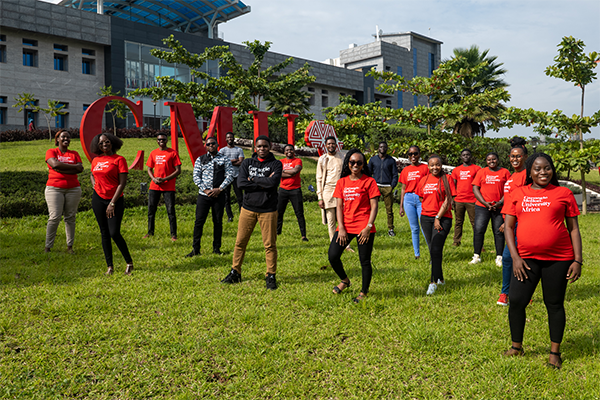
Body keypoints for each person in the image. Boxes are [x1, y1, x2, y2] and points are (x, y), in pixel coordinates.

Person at [502, 152, 582, 369]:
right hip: (526, 259)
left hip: (559, 259)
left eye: (547, 168)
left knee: (554, 304)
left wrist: (577, 260)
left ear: (552, 170)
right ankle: (516, 347)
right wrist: (516, 258)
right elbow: (508, 228)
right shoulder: (517, 193)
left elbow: (573, 229)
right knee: (517, 301)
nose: (543, 172)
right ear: (530, 171)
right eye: (537, 168)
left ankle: (554, 352)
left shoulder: (563, 193)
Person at [221, 135, 283, 290]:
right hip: (248, 209)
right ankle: (235, 272)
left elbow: (273, 183)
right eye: (259, 146)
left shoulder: (276, 164)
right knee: (240, 242)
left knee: (269, 245)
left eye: (265, 146)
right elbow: (241, 183)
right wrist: (263, 182)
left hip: (268, 210)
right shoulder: (248, 163)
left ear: (270, 147)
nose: (262, 149)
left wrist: (253, 179)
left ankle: (271, 275)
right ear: (255, 148)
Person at [329, 149, 380, 303]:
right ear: (348, 164)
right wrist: (341, 228)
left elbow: (374, 206)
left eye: (359, 162)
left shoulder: (369, 182)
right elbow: (339, 207)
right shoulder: (342, 182)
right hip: (346, 225)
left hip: (364, 226)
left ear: (363, 164)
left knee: (364, 260)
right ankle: (345, 280)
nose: (355, 165)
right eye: (352, 162)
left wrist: (368, 227)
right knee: (333, 255)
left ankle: (363, 292)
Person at [90, 133, 133, 275]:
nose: (104, 145)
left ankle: (129, 262)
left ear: (112, 143)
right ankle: (110, 266)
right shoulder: (96, 160)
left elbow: (122, 183)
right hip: (98, 199)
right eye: (101, 143)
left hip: (115, 200)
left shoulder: (119, 160)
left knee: (114, 233)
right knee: (104, 233)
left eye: (107, 142)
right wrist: (94, 185)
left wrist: (112, 203)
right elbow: (92, 174)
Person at [186, 136, 233, 257]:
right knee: (199, 222)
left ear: (217, 145)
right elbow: (196, 176)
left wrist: (220, 189)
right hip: (204, 195)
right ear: (206, 146)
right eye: (208, 144)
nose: (211, 146)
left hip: (219, 195)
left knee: (217, 222)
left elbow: (230, 175)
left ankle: (216, 248)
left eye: (213, 144)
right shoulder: (200, 159)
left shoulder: (224, 159)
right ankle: (195, 249)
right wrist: (206, 190)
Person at [417, 155, 456, 295]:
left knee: (435, 248)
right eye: (432, 165)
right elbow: (421, 196)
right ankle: (441, 278)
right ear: (428, 166)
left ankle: (433, 282)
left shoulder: (447, 179)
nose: (435, 167)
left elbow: (448, 199)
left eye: (438, 165)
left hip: (443, 218)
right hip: (425, 218)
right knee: (434, 250)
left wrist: (438, 216)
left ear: (442, 165)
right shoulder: (423, 180)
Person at [497, 138, 528, 306]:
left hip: (520, 223)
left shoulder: (526, 176)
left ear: (524, 157)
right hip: (509, 223)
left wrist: (511, 222)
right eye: (512, 156)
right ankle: (505, 292)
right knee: (509, 258)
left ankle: (518, 292)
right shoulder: (512, 176)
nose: (515, 159)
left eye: (518, 156)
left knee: (514, 257)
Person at [44, 130, 84, 254]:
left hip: (73, 189)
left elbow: (80, 168)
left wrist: (62, 167)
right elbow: (54, 164)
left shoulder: (74, 153)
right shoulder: (51, 152)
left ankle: (70, 246)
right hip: (54, 189)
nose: (66, 139)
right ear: (57, 140)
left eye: (68, 137)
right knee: (54, 217)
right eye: (63, 137)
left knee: (70, 217)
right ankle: (48, 247)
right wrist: (73, 167)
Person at [470, 152, 511, 266]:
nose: (491, 161)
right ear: (486, 161)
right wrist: (485, 203)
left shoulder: (505, 172)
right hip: (483, 206)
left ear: (498, 160)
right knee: (479, 230)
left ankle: (499, 257)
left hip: (499, 207)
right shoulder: (481, 172)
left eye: (494, 159)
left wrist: (500, 202)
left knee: (498, 232)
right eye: (489, 159)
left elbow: (509, 189)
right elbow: (475, 188)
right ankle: (476, 256)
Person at [144, 133, 181, 241]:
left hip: (168, 187)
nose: (161, 141)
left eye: (163, 139)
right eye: (159, 140)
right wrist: (154, 179)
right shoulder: (153, 153)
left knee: (170, 210)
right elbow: (149, 169)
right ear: (157, 141)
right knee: (151, 210)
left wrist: (165, 179)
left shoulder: (173, 153)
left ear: (166, 140)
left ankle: (173, 234)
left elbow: (178, 170)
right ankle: (150, 232)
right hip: (154, 186)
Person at [399, 145, 429, 259]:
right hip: (409, 199)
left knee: (424, 226)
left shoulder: (425, 168)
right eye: (410, 154)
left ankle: (432, 252)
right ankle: (417, 254)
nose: (413, 156)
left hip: (421, 199)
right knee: (414, 228)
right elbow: (403, 188)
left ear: (419, 154)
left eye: (415, 153)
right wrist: (401, 206)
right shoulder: (405, 170)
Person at [316, 136, 345, 242]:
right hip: (327, 191)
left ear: (336, 145)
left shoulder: (342, 157)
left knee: (343, 220)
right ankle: (334, 243)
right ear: (325, 145)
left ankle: (346, 244)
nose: (331, 145)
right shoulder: (322, 159)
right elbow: (319, 179)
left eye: (333, 143)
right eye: (329, 144)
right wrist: (320, 197)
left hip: (341, 191)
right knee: (331, 220)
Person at [277, 144, 308, 241]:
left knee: (299, 213)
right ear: (284, 152)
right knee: (279, 212)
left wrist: (284, 171)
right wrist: (289, 172)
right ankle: (277, 232)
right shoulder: (280, 161)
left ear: (294, 151)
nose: (289, 151)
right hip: (283, 190)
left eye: (291, 149)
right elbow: (278, 174)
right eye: (287, 150)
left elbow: (296, 170)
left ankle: (303, 235)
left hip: (295, 189)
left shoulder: (298, 160)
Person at [450, 149, 481, 247]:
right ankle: (456, 241)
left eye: (468, 154)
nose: (466, 156)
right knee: (458, 222)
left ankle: (479, 244)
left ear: (471, 156)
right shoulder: (456, 170)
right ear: (461, 157)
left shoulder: (477, 169)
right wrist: (452, 199)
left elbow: (480, 184)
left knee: (475, 223)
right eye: (464, 155)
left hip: (472, 200)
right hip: (459, 200)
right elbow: (453, 185)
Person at [368, 141, 398, 237]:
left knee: (389, 210)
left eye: (384, 147)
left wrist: (392, 186)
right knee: (371, 208)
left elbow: (395, 174)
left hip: (387, 187)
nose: (382, 149)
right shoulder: (373, 160)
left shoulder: (391, 160)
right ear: (378, 148)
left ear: (387, 149)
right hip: (375, 186)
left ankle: (390, 229)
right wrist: (370, 185)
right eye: (381, 147)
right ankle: (368, 227)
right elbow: (368, 172)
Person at [219, 132, 245, 222]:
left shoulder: (239, 150)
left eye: (231, 137)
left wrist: (227, 161)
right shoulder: (222, 150)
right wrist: (235, 160)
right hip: (226, 177)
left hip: (237, 176)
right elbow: (220, 163)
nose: (230, 138)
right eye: (228, 137)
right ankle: (230, 216)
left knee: (240, 197)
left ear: (234, 138)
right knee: (226, 198)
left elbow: (241, 162)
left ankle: (242, 215)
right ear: (226, 139)